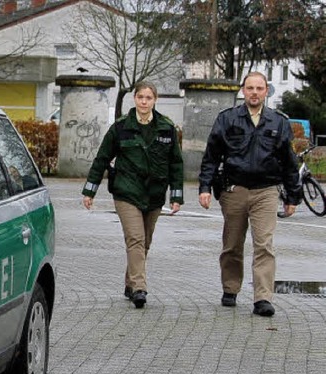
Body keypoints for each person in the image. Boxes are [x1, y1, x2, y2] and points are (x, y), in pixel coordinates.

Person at [198, 71, 302, 317]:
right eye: (250, 88)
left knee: (264, 245)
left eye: (259, 88)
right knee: (232, 244)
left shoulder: (278, 122)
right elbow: (211, 156)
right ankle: (230, 288)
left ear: (266, 91)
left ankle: (262, 298)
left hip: (266, 191)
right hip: (234, 189)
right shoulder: (228, 119)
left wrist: (292, 196)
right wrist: (204, 187)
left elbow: (289, 162)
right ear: (243, 91)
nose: (254, 93)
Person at [82, 81, 184, 309]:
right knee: (135, 238)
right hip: (126, 191)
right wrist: (90, 190)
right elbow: (102, 158)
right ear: (135, 99)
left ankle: (130, 282)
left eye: (149, 98)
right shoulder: (120, 128)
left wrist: (176, 196)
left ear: (155, 100)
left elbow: (176, 163)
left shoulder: (166, 128)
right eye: (141, 97)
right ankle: (140, 288)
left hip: (155, 194)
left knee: (145, 242)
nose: (144, 102)